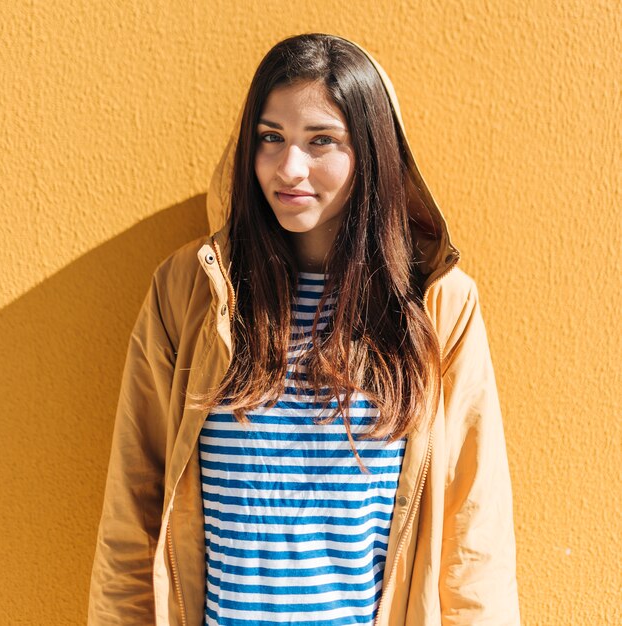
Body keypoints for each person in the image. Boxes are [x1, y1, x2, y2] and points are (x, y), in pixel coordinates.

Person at [88, 33, 520, 626]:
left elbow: (474, 535)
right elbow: (132, 516)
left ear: (370, 151)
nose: (290, 168)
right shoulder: (190, 291)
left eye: (322, 141)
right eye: (272, 138)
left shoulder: (436, 304)